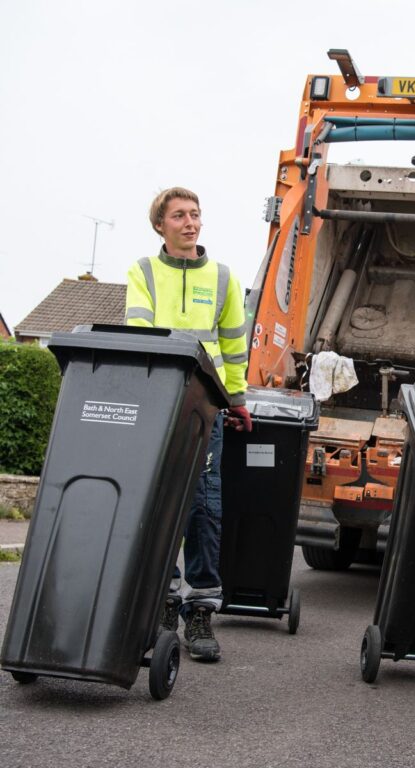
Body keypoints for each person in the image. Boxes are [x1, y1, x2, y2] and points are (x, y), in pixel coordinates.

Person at [125, 187, 252, 662]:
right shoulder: (143, 272)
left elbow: (235, 345)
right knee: (159, 504)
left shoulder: (222, 278)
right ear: (160, 225)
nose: (190, 222)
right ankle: (163, 601)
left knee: (203, 507)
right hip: (158, 405)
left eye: (195, 214)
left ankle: (201, 611)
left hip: (206, 411)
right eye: (179, 215)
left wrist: (235, 399)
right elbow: (138, 335)